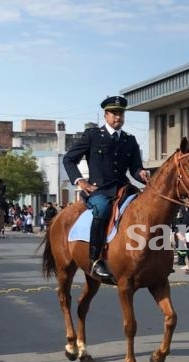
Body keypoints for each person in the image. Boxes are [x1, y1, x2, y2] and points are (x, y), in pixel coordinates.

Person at [62, 96, 150, 279]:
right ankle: (95, 259)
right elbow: (68, 159)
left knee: (145, 209)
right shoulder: (92, 136)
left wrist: (141, 173)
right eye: (115, 113)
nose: (118, 117)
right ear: (106, 115)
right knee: (101, 210)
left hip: (123, 188)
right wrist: (81, 181)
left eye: (121, 113)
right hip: (99, 190)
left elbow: (134, 169)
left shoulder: (129, 140)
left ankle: (149, 256)